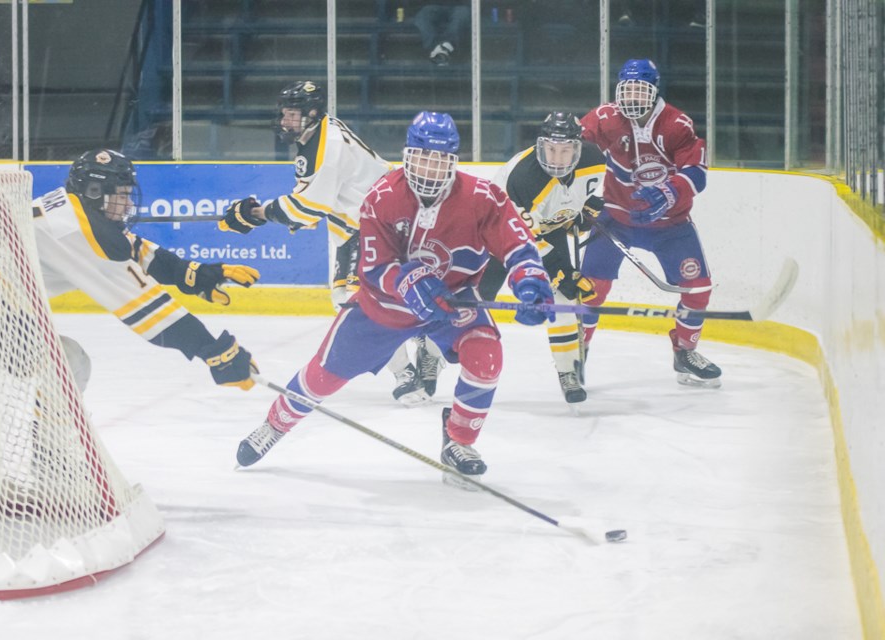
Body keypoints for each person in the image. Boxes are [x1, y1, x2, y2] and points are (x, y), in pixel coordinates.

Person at [234, 111, 556, 487]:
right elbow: (374, 266)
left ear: (453, 161)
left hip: (452, 302)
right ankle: (275, 424)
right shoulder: (383, 197)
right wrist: (410, 282)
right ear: (407, 155)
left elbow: (516, 242)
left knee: (486, 360)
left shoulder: (482, 198)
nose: (430, 167)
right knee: (321, 377)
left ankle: (459, 441)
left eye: (439, 159)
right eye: (422, 157)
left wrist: (530, 279)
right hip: (383, 309)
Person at [219, 80, 438, 404]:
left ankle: (410, 367)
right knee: (347, 298)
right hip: (359, 224)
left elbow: (307, 208)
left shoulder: (326, 145)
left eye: (291, 115)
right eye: (284, 114)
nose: (284, 122)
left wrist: (257, 214)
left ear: (311, 113)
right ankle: (416, 348)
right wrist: (262, 213)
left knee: (355, 299)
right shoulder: (316, 136)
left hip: (382, 222)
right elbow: (309, 207)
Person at [34, 149, 260, 393]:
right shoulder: (76, 234)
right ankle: (43, 431)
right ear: (95, 192)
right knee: (69, 364)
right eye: (122, 195)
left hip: (0, 314)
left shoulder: (68, 210)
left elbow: (134, 248)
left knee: (67, 362)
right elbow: (148, 307)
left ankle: (43, 429)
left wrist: (189, 273)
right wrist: (214, 351)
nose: (129, 204)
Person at [579, 58, 720, 387]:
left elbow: (697, 173)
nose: (632, 97)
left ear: (655, 92)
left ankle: (685, 351)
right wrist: (577, 198)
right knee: (589, 290)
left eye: (640, 90)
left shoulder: (676, 124)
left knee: (698, 290)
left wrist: (671, 193)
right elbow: (574, 150)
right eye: (627, 89)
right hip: (615, 218)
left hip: (670, 225)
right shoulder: (604, 118)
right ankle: (575, 351)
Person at [483, 112, 606, 403]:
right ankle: (432, 356)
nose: (557, 157)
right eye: (551, 149)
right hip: (493, 235)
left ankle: (568, 371)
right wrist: (560, 269)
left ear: (577, 147)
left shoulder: (595, 159)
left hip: (544, 230)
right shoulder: (523, 178)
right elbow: (524, 239)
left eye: (565, 150)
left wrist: (586, 209)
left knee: (563, 300)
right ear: (540, 145)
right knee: (472, 300)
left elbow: (584, 194)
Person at [406, 1, 471, 66]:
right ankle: (439, 51)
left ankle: (442, 51)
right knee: (423, 15)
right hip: (435, 4)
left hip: (461, 5)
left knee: (463, 14)